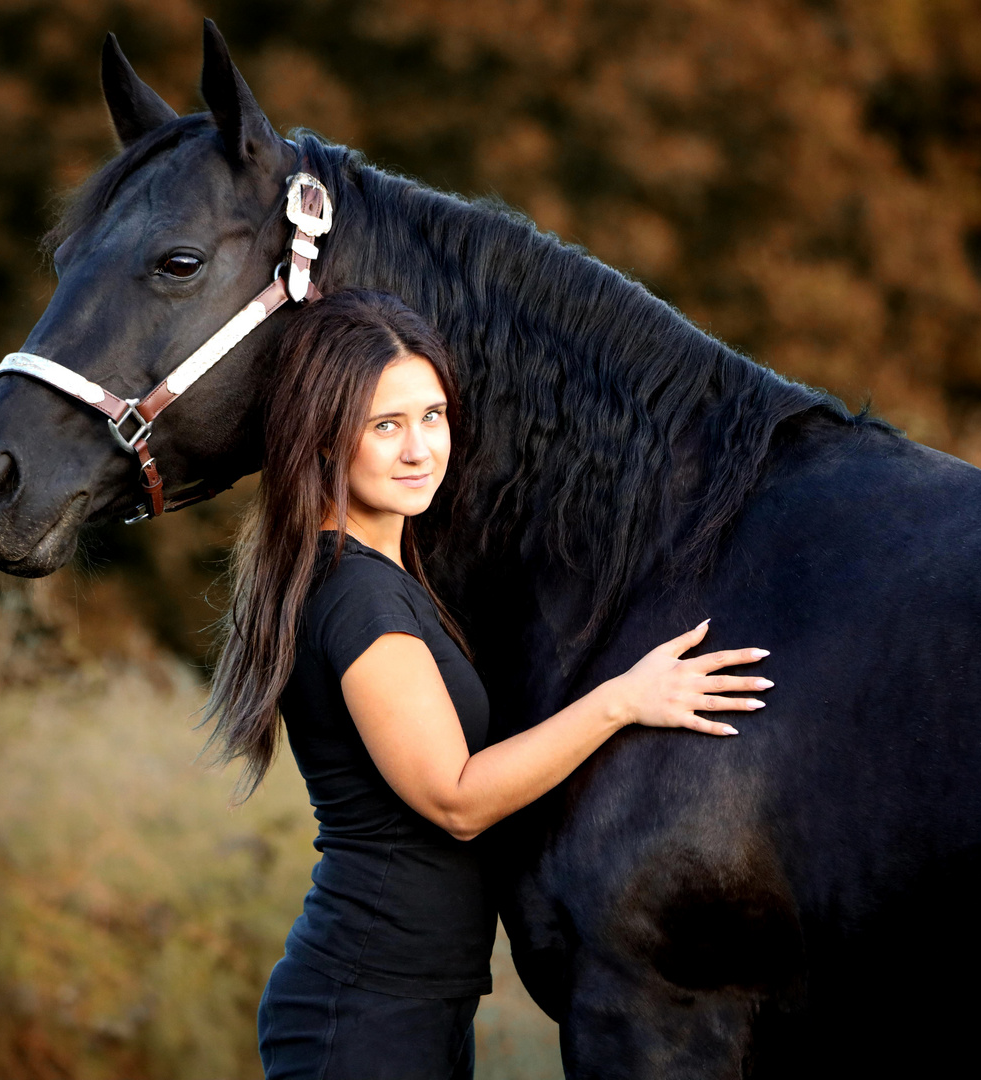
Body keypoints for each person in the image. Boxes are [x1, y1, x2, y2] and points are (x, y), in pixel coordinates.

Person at [203, 289, 772, 1080]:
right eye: (386, 426)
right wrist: (624, 700)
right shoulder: (359, 596)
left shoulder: (378, 576)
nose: (419, 450)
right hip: (365, 1012)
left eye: (432, 415)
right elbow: (458, 799)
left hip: (408, 1004)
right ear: (326, 440)